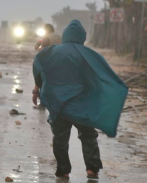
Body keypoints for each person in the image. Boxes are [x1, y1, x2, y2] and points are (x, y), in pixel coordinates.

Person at [32, 20, 127, 180]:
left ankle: (63, 170)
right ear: (82, 37)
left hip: (59, 105)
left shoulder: (52, 51)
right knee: (88, 136)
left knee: (60, 138)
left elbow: (39, 63)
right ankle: (92, 169)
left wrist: (36, 89)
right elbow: (101, 76)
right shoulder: (90, 55)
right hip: (83, 107)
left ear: (66, 35)